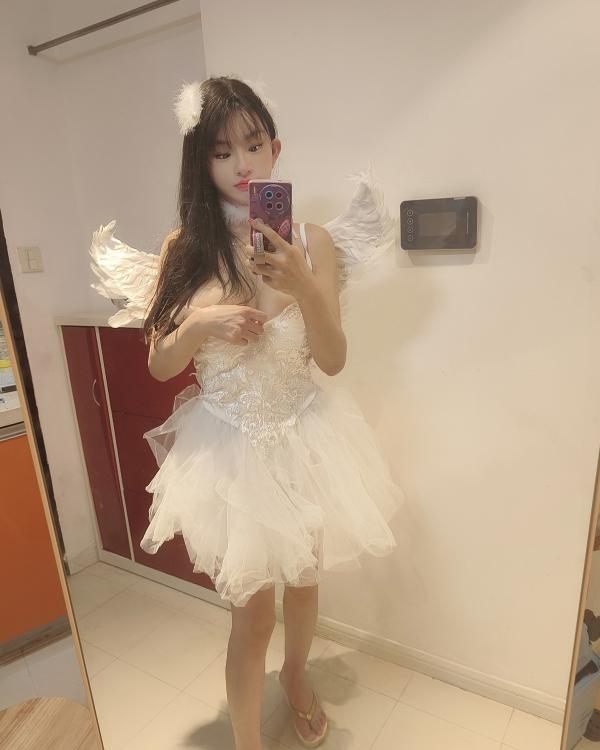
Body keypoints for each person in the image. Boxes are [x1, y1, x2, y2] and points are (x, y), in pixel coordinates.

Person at [104, 76, 404, 750]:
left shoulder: (312, 242)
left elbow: (333, 359)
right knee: (252, 615)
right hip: (230, 452)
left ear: (275, 148)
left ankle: (296, 678)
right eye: (221, 152)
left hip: (306, 438)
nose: (242, 163)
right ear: (200, 163)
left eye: (253, 143)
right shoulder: (185, 249)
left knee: (304, 584)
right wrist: (201, 323)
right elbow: (160, 364)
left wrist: (304, 286)